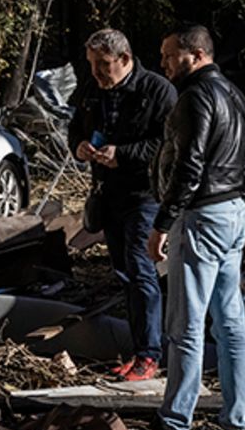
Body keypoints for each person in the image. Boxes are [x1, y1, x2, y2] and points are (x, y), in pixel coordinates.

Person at [148, 25, 245, 430]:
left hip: (203, 215)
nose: (163, 64)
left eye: (169, 55)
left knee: (186, 325)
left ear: (195, 54)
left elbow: (188, 168)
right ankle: (238, 420)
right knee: (231, 322)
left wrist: (162, 223)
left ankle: (175, 421)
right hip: (234, 211)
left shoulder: (195, 97)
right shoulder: (234, 94)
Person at [68, 28, 177, 382]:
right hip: (107, 193)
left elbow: (168, 144)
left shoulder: (157, 91)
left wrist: (125, 155)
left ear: (125, 60)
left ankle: (150, 355)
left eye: (103, 65)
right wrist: (81, 146)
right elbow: (74, 128)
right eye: (92, 65)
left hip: (143, 195)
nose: (97, 73)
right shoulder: (91, 90)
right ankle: (139, 349)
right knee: (125, 274)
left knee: (141, 270)